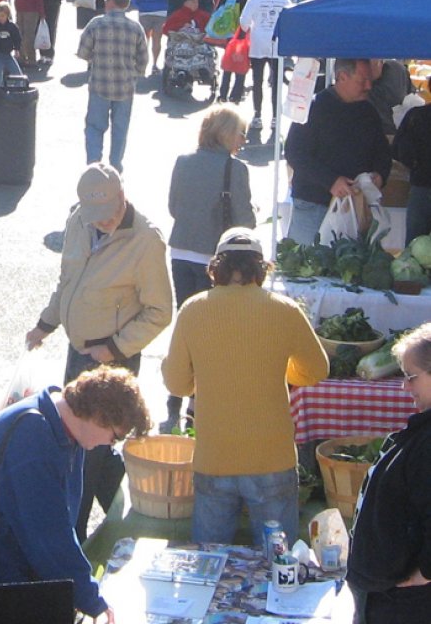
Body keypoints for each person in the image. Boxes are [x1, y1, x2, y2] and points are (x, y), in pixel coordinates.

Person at [26, 163, 172, 541]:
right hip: (79, 352)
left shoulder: (146, 240)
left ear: (123, 196)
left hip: (112, 360)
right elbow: (68, 281)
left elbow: (160, 311)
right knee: (91, 450)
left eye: (108, 213)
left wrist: (114, 348)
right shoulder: (79, 221)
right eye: (95, 215)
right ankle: (138, 523)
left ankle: (72, 539)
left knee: (85, 452)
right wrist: (45, 324)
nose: (103, 222)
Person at [0, 367, 150, 621]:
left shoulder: (65, 427)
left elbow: (59, 527)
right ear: (98, 415)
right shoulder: (33, 439)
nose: (110, 444)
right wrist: (90, 598)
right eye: (115, 437)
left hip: (11, 565)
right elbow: (48, 539)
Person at [162, 227, 328, 546]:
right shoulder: (285, 310)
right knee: (278, 563)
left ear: (217, 267)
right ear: (260, 267)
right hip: (273, 458)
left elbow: (177, 385)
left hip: (214, 457)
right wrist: (280, 370)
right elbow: (316, 371)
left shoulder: (193, 310)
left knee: (210, 559)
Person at [161, 106, 255, 433]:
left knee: (185, 325)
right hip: (214, 259)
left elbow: (173, 207)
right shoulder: (235, 169)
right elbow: (244, 222)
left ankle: (174, 399)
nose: (243, 139)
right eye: (241, 133)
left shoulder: (183, 162)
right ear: (226, 133)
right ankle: (195, 405)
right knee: (210, 334)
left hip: (180, 252)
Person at [347, 323, 431, 624]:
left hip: (404, 604)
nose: (405, 387)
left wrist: (425, 573)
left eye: (411, 377)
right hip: (387, 593)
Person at [285, 58, 393, 245]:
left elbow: (382, 152)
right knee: (305, 260)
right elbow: (295, 153)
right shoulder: (314, 107)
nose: (368, 86)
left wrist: (380, 175)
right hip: (313, 204)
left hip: (355, 206)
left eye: (370, 80)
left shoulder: (369, 112)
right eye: (362, 80)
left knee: (350, 262)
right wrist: (331, 181)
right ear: (342, 77)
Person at [77, 0, 148, 174]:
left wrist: (94, 58)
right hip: (125, 86)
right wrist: (136, 74)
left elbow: (83, 52)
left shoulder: (96, 24)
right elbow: (143, 58)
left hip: (100, 84)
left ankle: (94, 165)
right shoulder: (135, 27)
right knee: (120, 128)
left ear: (110, 2)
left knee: (94, 126)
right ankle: (115, 166)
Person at [238, 0, 292, 130]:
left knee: (257, 81)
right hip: (277, 44)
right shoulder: (284, 0)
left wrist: (251, 28)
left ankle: (257, 115)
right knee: (276, 82)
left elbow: (244, 22)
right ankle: (275, 117)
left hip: (258, 43)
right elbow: (291, 22)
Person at [392, 93, 431, 243]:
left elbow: (397, 150)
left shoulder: (417, 116)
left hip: (422, 188)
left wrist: (416, 165)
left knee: (415, 248)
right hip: (421, 189)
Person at [367, 59, 412, 136]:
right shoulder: (359, 86)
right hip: (374, 133)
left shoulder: (397, 70)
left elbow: (411, 94)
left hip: (400, 132)